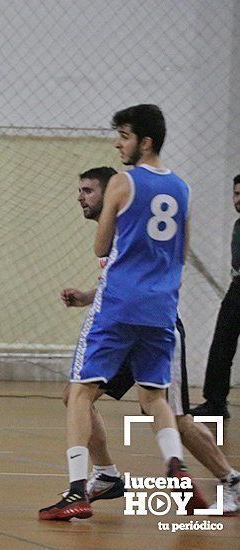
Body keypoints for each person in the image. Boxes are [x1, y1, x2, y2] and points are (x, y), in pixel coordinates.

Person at [39, 104, 196, 521]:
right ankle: (175, 466)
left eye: (124, 136)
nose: (118, 143)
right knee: (155, 396)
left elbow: (101, 246)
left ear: (144, 142)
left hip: (120, 306)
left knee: (80, 392)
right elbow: (181, 252)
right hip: (162, 308)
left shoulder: (123, 183)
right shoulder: (182, 188)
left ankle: (77, 489)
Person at [60, 168, 238, 514]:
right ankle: (107, 473)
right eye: (80, 190)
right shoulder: (116, 231)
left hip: (154, 326)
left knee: (175, 416)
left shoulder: (130, 224)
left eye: (89, 190)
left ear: (111, 193)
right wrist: (87, 296)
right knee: (76, 396)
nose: (82, 196)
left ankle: (231, 479)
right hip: (123, 324)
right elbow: (122, 283)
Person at [189, 174, 240, 420]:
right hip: (237, 289)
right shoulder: (238, 224)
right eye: (236, 194)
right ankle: (215, 402)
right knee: (222, 345)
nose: (238, 200)